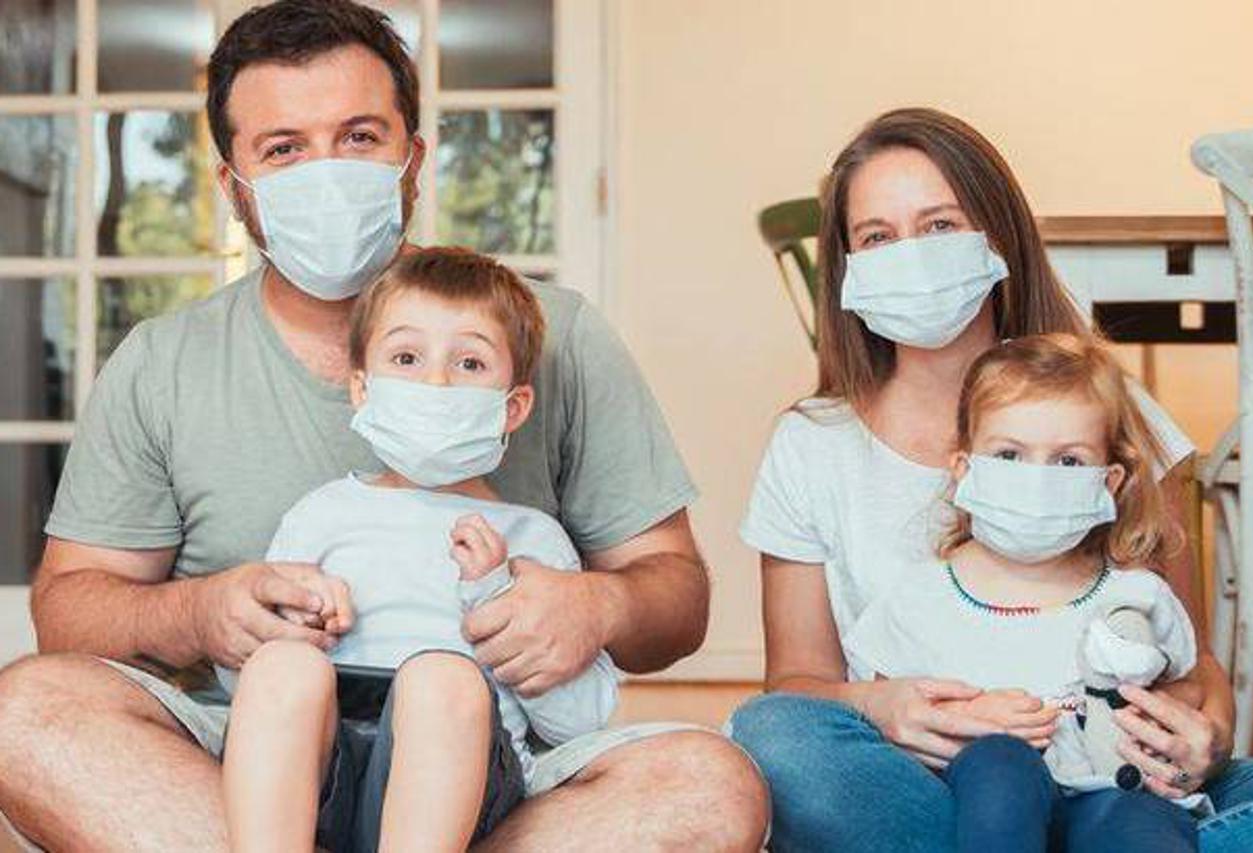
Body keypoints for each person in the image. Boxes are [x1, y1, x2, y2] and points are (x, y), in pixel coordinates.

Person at [0, 2, 768, 851]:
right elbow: (68, 613)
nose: (326, 173)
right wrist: (198, 613)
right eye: (284, 149)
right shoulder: (164, 362)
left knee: (710, 788)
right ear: (232, 184)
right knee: (24, 713)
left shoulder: (558, 338)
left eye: (359, 137)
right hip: (242, 769)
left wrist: (600, 604)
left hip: (496, 771)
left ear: (414, 159)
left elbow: (676, 597)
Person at [727, 107, 1253, 852]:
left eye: (940, 225)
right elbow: (797, 681)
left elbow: (1191, 660)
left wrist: (1200, 734)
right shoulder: (812, 443)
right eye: (878, 237)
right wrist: (884, 706)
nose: (912, 255)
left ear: (997, 235)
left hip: (1114, 784)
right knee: (774, 736)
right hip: (925, 785)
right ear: (848, 266)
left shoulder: (1120, 414)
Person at [220, 248, 618, 853]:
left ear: (512, 407)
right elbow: (244, 682)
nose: (436, 383)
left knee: (441, 680)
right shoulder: (320, 516)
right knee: (281, 666)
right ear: (362, 387)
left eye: (469, 362)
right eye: (407, 358)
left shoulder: (533, 542)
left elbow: (579, 722)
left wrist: (499, 599)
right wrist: (292, 625)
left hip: (463, 788)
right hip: (323, 776)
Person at [852, 333, 1200, 853]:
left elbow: (1188, 690)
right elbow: (887, 724)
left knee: (1143, 821)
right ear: (964, 470)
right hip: (975, 804)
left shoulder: (1138, 594)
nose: (1036, 479)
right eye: (1009, 454)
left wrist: (1143, 718)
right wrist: (967, 719)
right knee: (1000, 765)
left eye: (1068, 462)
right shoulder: (918, 597)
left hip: (1111, 790)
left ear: (1108, 482)